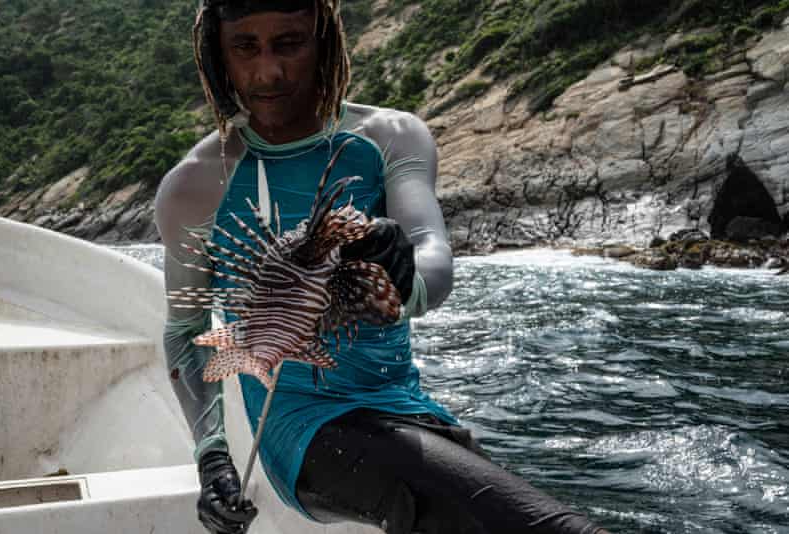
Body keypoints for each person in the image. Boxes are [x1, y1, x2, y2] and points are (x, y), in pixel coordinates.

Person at [154, 1, 612, 533]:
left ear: (324, 40)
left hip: (405, 407)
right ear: (218, 54)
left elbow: (432, 253)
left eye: (289, 43)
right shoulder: (194, 186)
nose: (269, 71)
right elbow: (186, 332)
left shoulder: (391, 136)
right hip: (298, 430)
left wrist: (404, 275)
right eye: (245, 48)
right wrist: (212, 460)